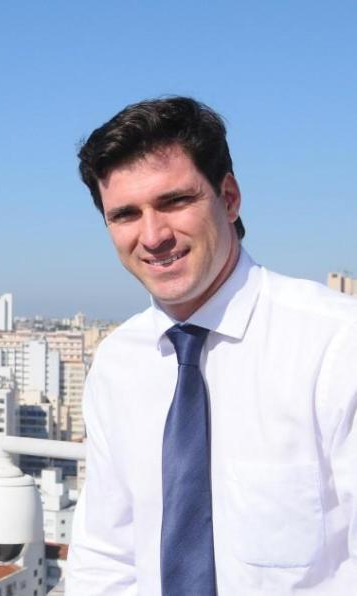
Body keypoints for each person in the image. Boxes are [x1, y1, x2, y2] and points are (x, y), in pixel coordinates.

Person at [66, 97, 357, 594]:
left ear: (229, 198)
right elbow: (106, 555)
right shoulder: (117, 364)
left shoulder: (336, 346)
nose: (153, 236)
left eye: (175, 201)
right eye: (126, 214)